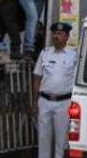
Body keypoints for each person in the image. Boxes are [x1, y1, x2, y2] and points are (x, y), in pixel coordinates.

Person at [33, 22, 77, 158]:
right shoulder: (45, 53)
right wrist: (34, 102)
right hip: (44, 100)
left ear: (67, 36)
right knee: (43, 138)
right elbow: (37, 77)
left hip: (64, 103)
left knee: (61, 140)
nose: (56, 36)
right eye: (54, 33)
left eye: (59, 34)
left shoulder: (73, 55)